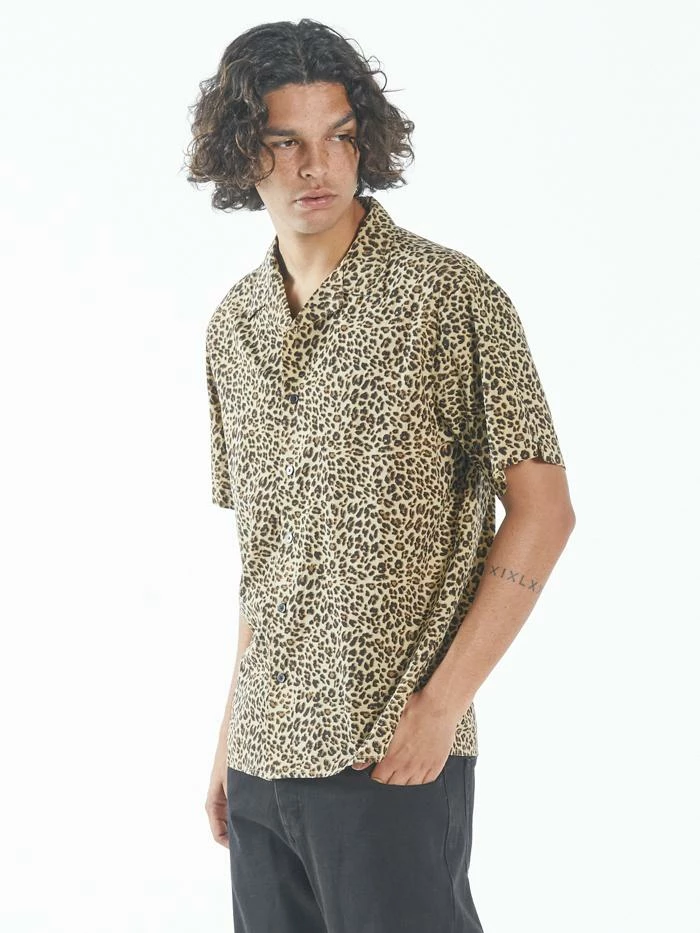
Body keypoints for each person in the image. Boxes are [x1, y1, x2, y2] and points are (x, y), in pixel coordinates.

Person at [185, 17, 576, 933]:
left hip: (388, 751)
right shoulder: (233, 328)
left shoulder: (446, 295)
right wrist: (229, 733)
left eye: (339, 137)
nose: (315, 166)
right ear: (243, 153)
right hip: (261, 759)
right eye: (285, 142)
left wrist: (442, 707)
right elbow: (267, 560)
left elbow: (545, 511)